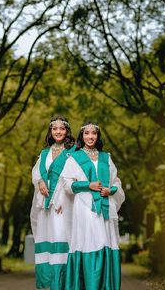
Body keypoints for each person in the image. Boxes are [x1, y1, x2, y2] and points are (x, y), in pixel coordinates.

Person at [62, 121, 125, 290]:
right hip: (84, 208)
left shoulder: (106, 158)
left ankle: (105, 286)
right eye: (87, 133)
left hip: (105, 208)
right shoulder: (74, 158)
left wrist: (110, 190)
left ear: (98, 136)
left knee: (105, 241)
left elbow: (116, 182)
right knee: (87, 242)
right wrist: (86, 185)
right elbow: (67, 185)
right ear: (82, 136)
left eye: (94, 133)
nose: (90, 136)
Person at [30, 116, 75, 290]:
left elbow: (74, 178)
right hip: (44, 206)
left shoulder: (72, 154)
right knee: (45, 239)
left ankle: (60, 283)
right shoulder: (44, 153)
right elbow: (36, 172)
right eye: (54, 129)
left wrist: (66, 202)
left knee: (60, 238)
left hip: (62, 206)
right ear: (50, 131)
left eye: (61, 129)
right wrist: (40, 182)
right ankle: (46, 284)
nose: (58, 132)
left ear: (67, 131)